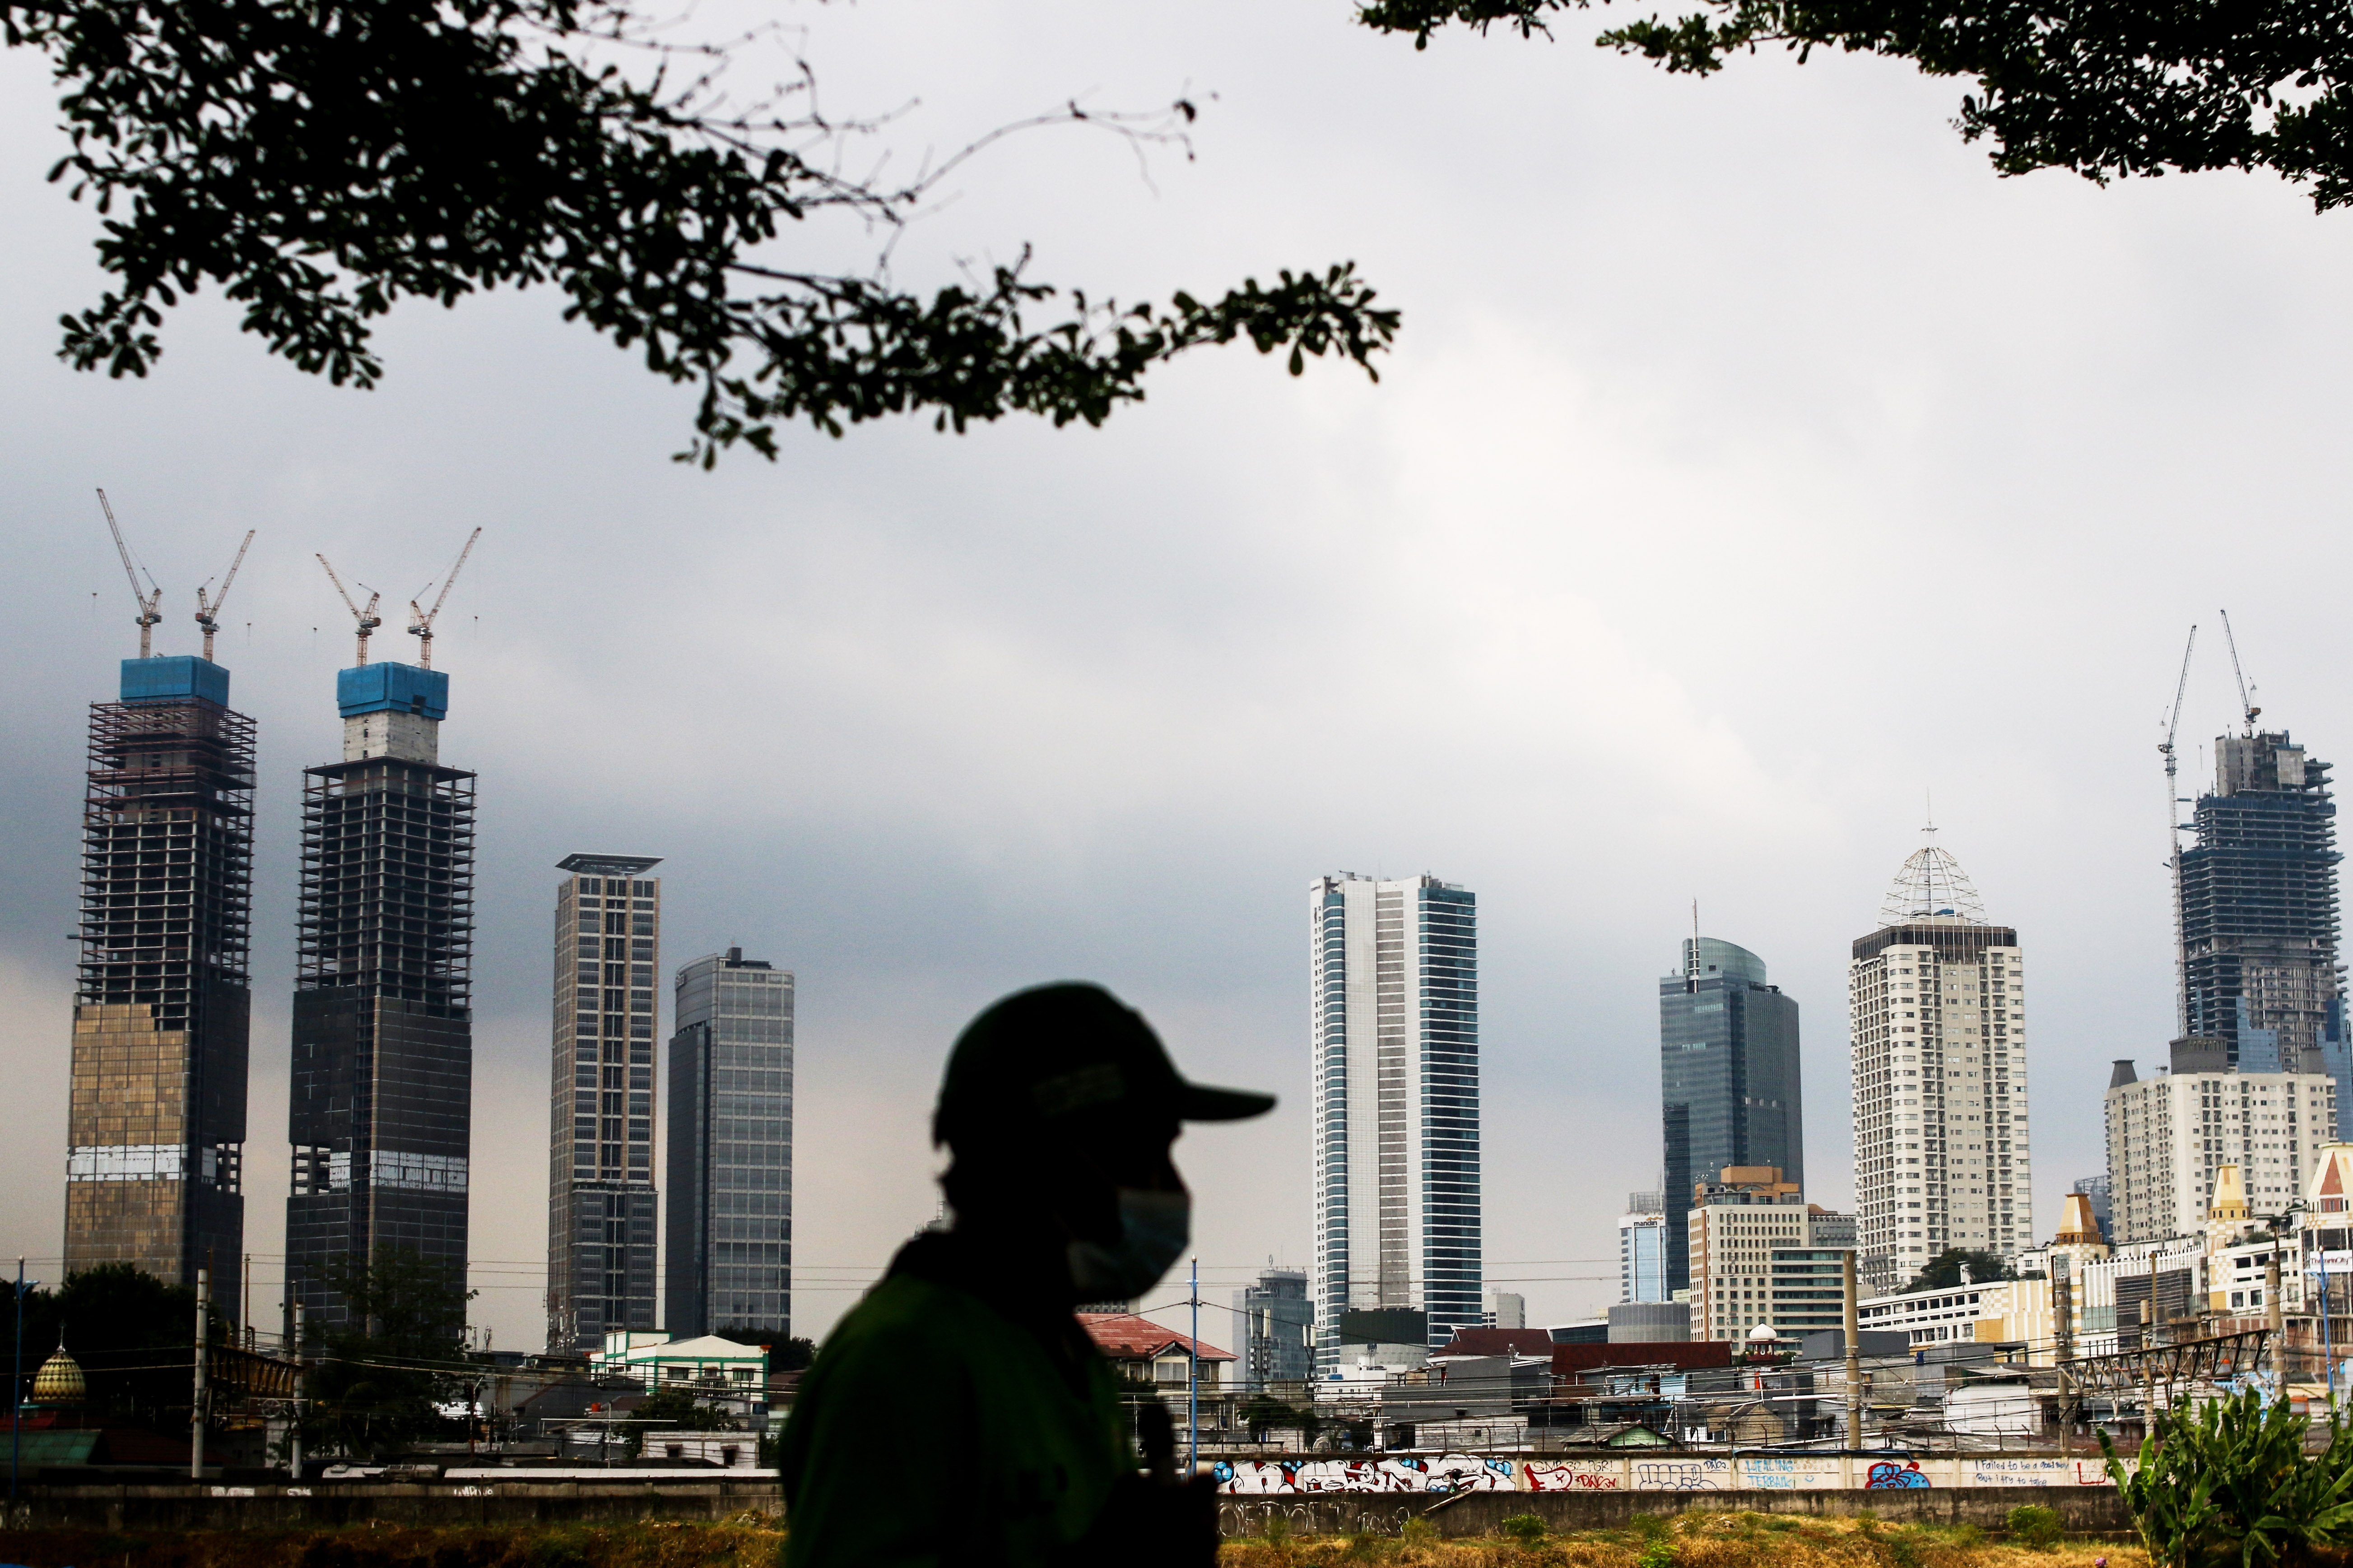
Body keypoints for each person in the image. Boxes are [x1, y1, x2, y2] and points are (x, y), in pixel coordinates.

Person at [777, 982, 1274, 1567]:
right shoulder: (901, 1358)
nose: (1171, 1187)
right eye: (1148, 1151)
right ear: (1051, 1155)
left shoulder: (1056, 1348)